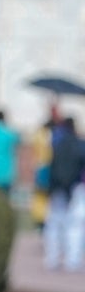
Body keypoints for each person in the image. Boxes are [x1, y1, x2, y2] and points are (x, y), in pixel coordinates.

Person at [43, 115, 85, 272]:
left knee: (54, 224)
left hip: (58, 189)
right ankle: (72, 261)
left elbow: (52, 167)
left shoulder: (57, 144)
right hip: (75, 189)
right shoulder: (80, 145)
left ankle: (52, 259)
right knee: (74, 225)